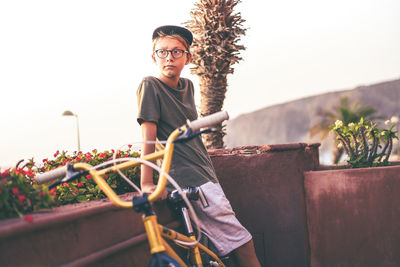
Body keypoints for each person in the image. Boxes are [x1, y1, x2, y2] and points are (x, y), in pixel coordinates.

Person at [136, 25, 260, 267]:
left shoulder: (188, 87)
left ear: (188, 57)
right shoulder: (150, 86)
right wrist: (147, 182)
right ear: (154, 57)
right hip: (188, 179)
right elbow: (148, 136)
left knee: (216, 250)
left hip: (205, 175)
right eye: (162, 52)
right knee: (242, 242)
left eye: (176, 52)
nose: (169, 57)